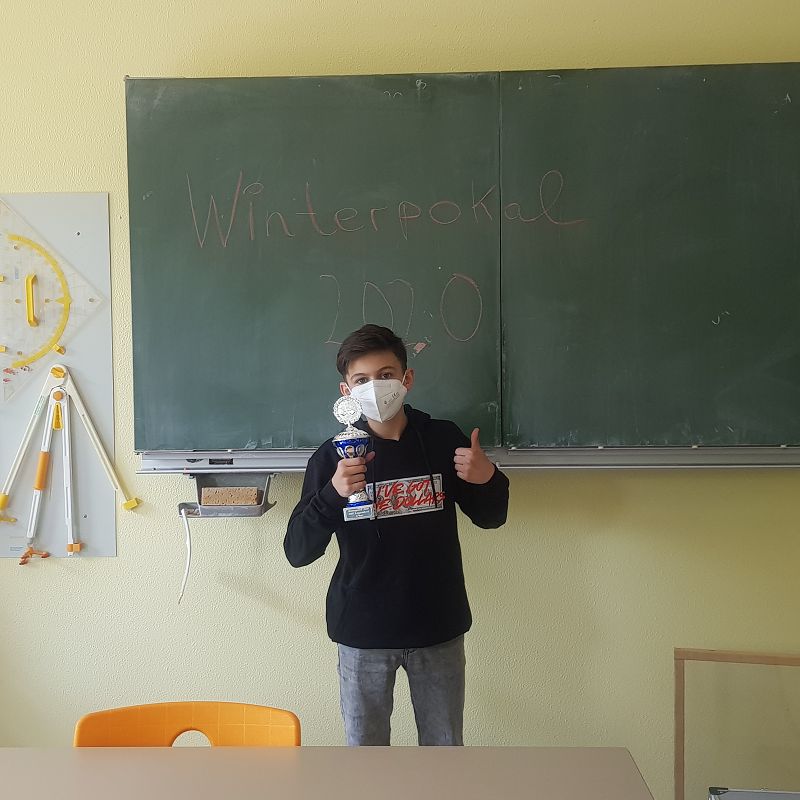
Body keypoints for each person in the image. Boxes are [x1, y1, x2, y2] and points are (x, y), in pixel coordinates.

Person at [284, 324, 509, 746]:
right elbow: (297, 551)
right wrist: (332, 494)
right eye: (361, 380)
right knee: (366, 760)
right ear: (346, 392)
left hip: (438, 628)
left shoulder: (442, 440)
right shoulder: (333, 457)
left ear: (407, 379)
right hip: (363, 633)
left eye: (386, 375)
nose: (375, 387)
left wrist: (488, 479)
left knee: (444, 753)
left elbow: (491, 517)